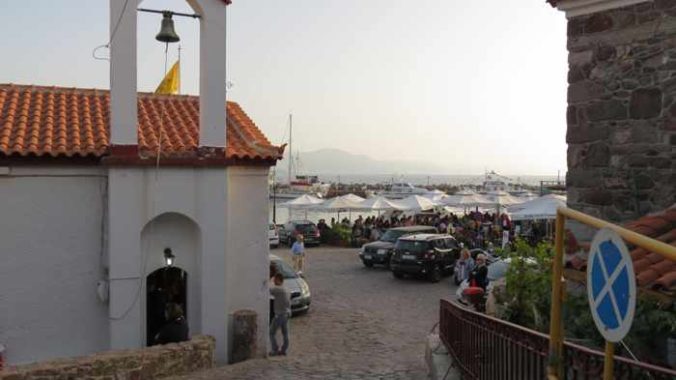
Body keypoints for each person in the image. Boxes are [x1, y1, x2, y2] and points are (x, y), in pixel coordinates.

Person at [269, 273, 291, 356]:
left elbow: (268, 290)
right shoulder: (287, 289)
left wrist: (267, 281)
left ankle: (275, 349)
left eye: (275, 280)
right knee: (285, 333)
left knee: (271, 332)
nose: (274, 281)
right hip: (287, 313)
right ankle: (284, 349)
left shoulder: (278, 289)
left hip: (279, 315)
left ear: (279, 280)